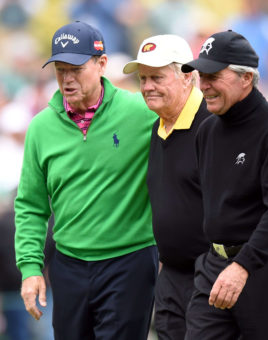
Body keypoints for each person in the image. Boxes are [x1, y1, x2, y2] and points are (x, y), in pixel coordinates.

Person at [14, 21, 158, 340]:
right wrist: (30, 268)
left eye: (76, 69)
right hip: (69, 265)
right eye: (60, 70)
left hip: (129, 261)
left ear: (101, 64)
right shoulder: (41, 127)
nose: (67, 79)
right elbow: (31, 207)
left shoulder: (142, 110)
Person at [181, 30, 268, 339]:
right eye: (201, 76)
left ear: (246, 78)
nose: (204, 85)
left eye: (213, 76)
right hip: (214, 265)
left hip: (266, 267)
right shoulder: (207, 131)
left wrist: (243, 266)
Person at [123, 35, 210, 339]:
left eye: (157, 77)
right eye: (143, 78)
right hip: (172, 274)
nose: (147, 86)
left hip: (213, 272)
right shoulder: (158, 126)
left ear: (188, 76)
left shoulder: (213, 126)